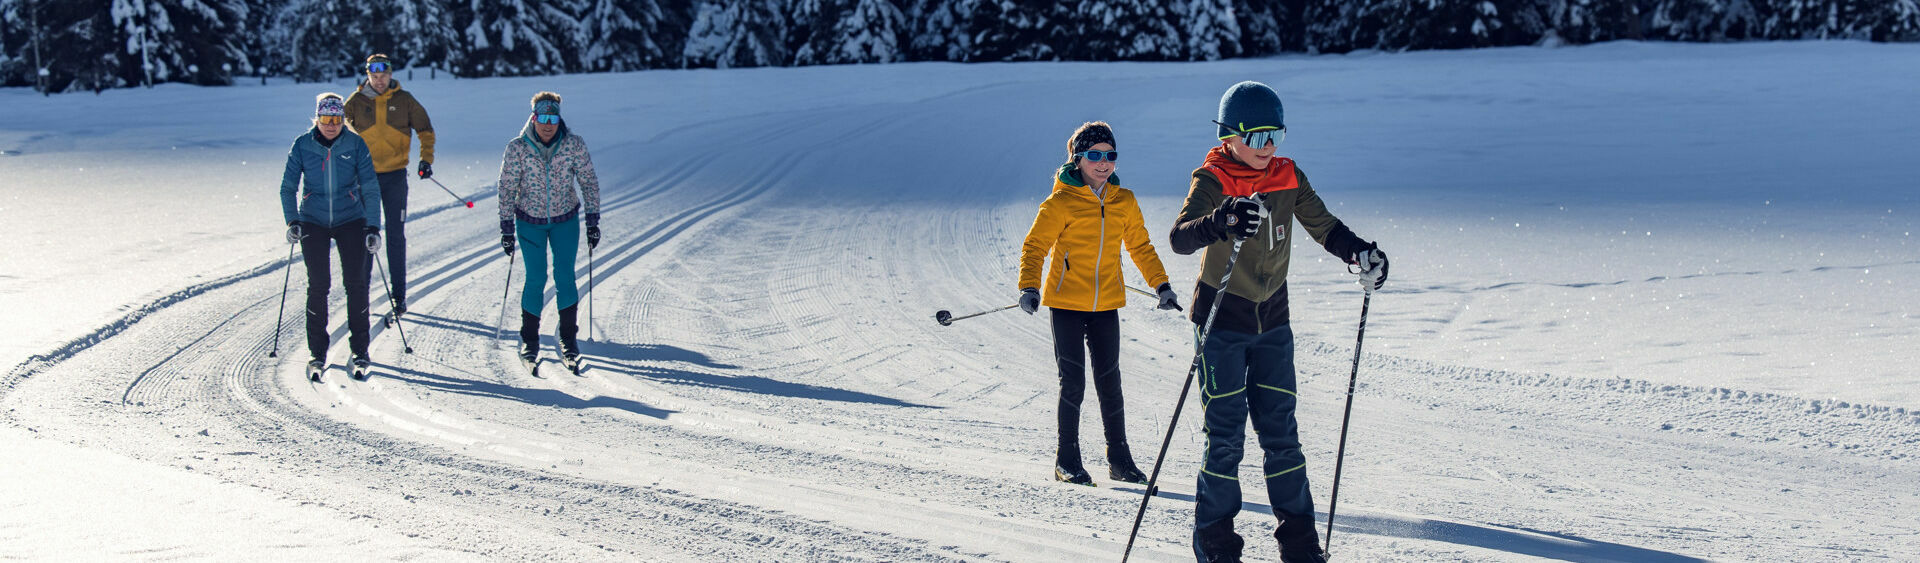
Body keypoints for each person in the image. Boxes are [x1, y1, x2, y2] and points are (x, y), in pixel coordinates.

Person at [1168, 82, 1389, 563]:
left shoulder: (1289, 176)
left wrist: (1362, 255)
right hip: (1221, 320)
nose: (1269, 148)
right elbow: (1180, 239)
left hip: (1273, 320)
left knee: (1282, 435)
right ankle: (1216, 545)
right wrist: (1222, 221)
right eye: (1259, 137)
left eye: (1277, 136)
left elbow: (1326, 227)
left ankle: (1301, 547)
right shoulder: (1212, 178)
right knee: (1225, 440)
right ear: (1231, 136)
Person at [1018, 121, 1183, 487]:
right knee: (1073, 381)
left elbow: (1140, 246)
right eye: (1095, 155)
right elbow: (1035, 246)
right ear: (1078, 159)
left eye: (1110, 155)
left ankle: (1120, 461)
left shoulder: (1124, 201)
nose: (1104, 163)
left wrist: (1162, 286)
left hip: (1106, 303)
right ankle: (1067, 460)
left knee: (1110, 382)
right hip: (1066, 304)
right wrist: (1029, 286)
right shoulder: (1060, 202)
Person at [280, 93, 383, 381]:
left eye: (336, 120)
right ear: (317, 119)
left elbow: (371, 187)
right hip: (313, 219)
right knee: (319, 285)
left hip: (350, 218)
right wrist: (293, 220)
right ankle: (317, 353)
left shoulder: (355, 144)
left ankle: (360, 350)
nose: (331, 125)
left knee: (356, 283)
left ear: (342, 120)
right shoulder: (302, 145)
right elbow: (288, 187)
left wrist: (373, 227)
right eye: (325, 119)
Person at [497, 92, 601, 372]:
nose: (547, 124)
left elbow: (589, 181)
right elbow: (507, 187)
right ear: (533, 118)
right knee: (535, 277)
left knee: (565, 275)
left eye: (553, 118)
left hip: (564, 219)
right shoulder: (517, 148)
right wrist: (506, 225)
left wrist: (593, 218)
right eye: (542, 118)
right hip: (529, 220)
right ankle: (529, 340)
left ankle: (569, 339)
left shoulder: (574, 145)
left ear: (559, 118)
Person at [345, 53, 435, 316]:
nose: (379, 80)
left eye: (383, 75)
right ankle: (362, 295)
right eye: (374, 75)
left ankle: (399, 295)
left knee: (396, 236)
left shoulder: (405, 100)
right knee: (365, 236)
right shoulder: (356, 102)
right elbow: (339, 135)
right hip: (363, 179)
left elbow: (425, 130)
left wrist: (425, 159)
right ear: (368, 75)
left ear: (391, 74)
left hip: (395, 177)